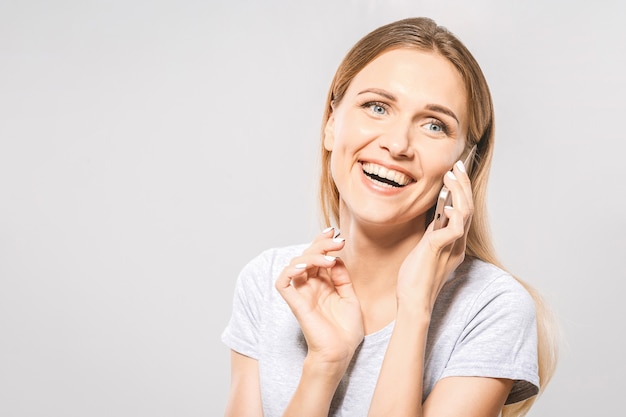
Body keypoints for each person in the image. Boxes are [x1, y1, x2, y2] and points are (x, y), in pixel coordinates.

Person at [222, 17, 558, 417]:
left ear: (464, 163)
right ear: (332, 124)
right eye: (377, 107)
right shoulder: (269, 282)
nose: (398, 144)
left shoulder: (491, 308)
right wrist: (324, 364)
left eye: (435, 125)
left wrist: (416, 305)